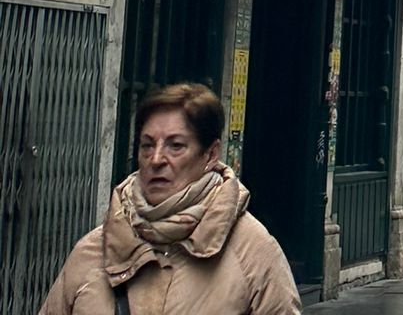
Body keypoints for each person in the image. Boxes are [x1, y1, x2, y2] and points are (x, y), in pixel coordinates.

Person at [40, 81, 299, 312]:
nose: (156, 159)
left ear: (210, 155)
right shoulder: (94, 250)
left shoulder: (252, 254)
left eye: (176, 146)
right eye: (147, 145)